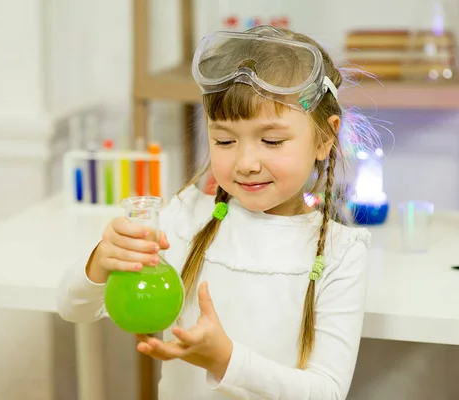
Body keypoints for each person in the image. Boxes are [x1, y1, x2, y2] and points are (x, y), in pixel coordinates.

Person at [58, 25, 379, 399]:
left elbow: (326, 392)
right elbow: (73, 308)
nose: (245, 162)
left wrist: (227, 360)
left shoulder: (341, 253)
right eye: (224, 140)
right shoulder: (185, 218)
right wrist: (101, 261)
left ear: (324, 138)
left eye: (271, 140)